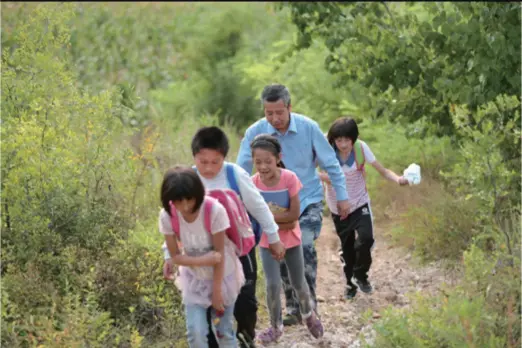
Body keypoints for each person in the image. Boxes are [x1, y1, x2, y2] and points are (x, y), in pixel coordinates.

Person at [236, 84, 350, 326]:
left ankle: (309, 307)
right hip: (271, 207)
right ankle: (293, 308)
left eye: (280, 112)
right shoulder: (254, 133)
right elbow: (241, 173)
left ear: (289, 107)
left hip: (307, 200)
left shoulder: (308, 128)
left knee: (304, 245)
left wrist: (342, 196)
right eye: (269, 113)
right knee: (281, 252)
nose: (275, 119)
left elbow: (331, 164)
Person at [162, 126, 285, 347]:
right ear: (194, 157)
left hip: (238, 250)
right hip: (202, 255)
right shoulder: (187, 181)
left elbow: (259, 207)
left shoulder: (234, 175)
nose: (209, 168)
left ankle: (246, 338)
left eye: (215, 162)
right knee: (210, 311)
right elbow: (174, 221)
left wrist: (274, 238)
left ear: (224, 157)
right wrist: (168, 255)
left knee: (244, 303)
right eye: (203, 161)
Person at [319, 117, 409, 299]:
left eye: (347, 140)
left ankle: (361, 275)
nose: (343, 144)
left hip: (360, 202)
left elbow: (382, 171)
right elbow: (309, 171)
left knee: (366, 239)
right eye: (339, 140)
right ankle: (350, 284)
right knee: (348, 247)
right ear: (333, 139)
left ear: (353, 139)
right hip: (338, 207)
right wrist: (329, 178)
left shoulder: (361, 149)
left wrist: (399, 179)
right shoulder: (325, 150)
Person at [250, 134, 324, 344]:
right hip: (267, 242)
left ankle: (308, 313)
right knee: (272, 285)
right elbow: (254, 219)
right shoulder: (253, 184)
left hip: (291, 239)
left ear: (278, 158)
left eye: (268, 161)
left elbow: (293, 218)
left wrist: (266, 218)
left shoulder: (289, 178)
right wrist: (271, 223)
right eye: (258, 162)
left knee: (298, 283)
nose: (263, 166)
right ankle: (276, 326)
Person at [159, 167, 244, 347]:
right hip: (194, 279)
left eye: (189, 199)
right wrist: (203, 260)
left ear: (197, 193)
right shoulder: (167, 215)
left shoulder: (214, 210)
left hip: (223, 277)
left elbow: (219, 255)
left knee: (223, 332)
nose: (185, 206)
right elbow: (175, 257)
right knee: (195, 332)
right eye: (178, 201)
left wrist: (217, 292)